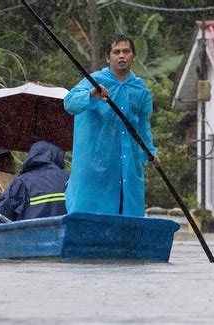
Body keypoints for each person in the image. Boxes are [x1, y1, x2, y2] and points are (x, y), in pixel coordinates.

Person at [64, 34, 160, 217]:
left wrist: (150, 152)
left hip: (128, 164)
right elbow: (69, 103)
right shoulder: (93, 81)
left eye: (126, 51)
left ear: (134, 56)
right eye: (116, 52)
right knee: (91, 211)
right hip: (95, 163)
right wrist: (91, 94)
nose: (121, 56)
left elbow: (143, 127)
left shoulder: (141, 89)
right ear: (108, 58)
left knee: (127, 211)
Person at [0, 141, 69, 231]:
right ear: (58, 157)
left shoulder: (23, 182)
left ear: (31, 158)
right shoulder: (69, 178)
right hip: (66, 240)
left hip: (33, 242)